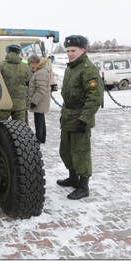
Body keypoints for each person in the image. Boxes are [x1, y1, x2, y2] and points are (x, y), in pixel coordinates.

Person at [57, 35, 103, 200]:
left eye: (73, 51)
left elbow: (95, 98)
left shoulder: (87, 69)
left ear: (82, 50)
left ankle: (83, 186)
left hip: (80, 119)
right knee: (66, 151)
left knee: (81, 152)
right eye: (68, 51)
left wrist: (84, 120)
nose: (70, 54)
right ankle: (73, 178)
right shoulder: (71, 68)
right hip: (68, 117)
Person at [0, 44, 31, 123]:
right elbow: (28, 81)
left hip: (3, 103)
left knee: (0, 129)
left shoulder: (0, 66)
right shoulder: (25, 67)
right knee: (21, 130)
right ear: (18, 53)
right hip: (20, 104)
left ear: (7, 52)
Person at [27, 55, 50, 145]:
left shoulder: (40, 73)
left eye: (31, 63)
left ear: (36, 63)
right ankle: (42, 137)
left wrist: (34, 101)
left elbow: (41, 89)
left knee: (38, 119)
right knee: (41, 117)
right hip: (42, 100)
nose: (30, 65)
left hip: (39, 100)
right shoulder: (41, 71)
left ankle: (38, 139)